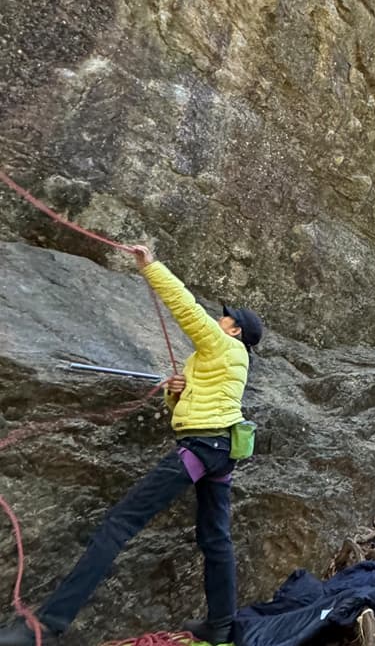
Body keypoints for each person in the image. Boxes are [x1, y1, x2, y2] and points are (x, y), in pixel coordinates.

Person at [0, 245, 263, 646]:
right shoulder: (223, 361)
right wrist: (177, 394)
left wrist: (150, 266)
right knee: (215, 537)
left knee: (119, 524)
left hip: (202, 446)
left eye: (224, 317)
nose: (217, 317)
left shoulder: (224, 346)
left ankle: (48, 626)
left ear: (235, 329)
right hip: (221, 451)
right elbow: (201, 405)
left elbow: (186, 308)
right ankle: (221, 625)